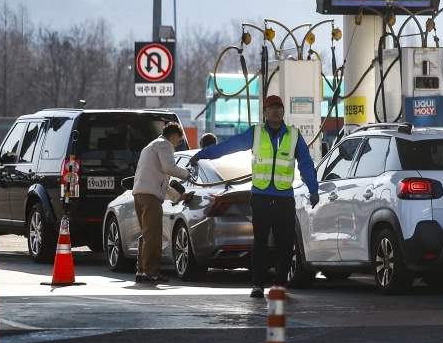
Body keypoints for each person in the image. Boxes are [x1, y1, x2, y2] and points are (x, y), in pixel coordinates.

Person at [192, 95, 319, 298]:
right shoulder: (256, 133)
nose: (275, 111)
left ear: (283, 111)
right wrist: (203, 153)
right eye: (271, 107)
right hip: (260, 197)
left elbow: (305, 163)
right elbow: (229, 146)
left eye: (279, 107)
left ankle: (279, 284)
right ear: (264, 112)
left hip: (284, 198)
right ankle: (258, 284)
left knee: (285, 243)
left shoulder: (294, 135)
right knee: (260, 242)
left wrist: (313, 189)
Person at [132, 122, 193, 283]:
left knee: (146, 235)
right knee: (153, 235)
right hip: (151, 197)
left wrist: (178, 197)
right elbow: (169, 168)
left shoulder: (150, 147)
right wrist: (187, 174)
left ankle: (141, 270)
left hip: (139, 194)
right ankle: (151, 273)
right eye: (178, 140)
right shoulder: (165, 145)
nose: (177, 144)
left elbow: (161, 181)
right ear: (174, 136)